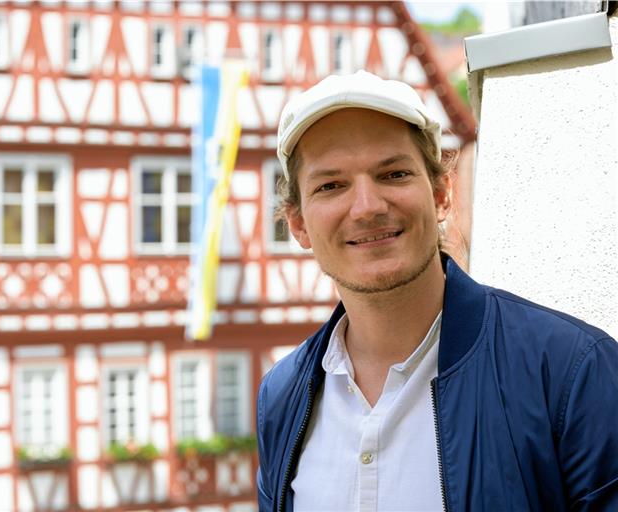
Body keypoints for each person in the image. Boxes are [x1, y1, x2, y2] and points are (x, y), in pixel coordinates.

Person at [256, 70, 618, 512]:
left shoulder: (570, 371)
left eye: (393, 174)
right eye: (331, 185)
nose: (367, 206)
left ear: (442, 193)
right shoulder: (281, 397)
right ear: (297, 224)